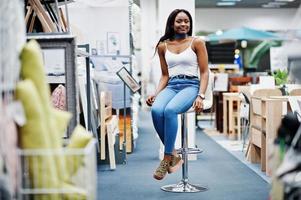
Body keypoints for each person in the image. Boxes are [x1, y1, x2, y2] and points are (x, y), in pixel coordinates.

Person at [146, 9, 209, 180]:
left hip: (191, 85)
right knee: (156, 110)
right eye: (179, 21)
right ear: (172, 24)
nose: (183, 24)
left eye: (186, 21)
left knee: (170, 111)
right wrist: (156, 93)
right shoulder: (162, 45)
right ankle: (174, 155)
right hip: (172, 85)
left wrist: (200, 95)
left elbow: (204, 72)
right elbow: (165, 75)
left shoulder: (197, 43)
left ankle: (167, 158)